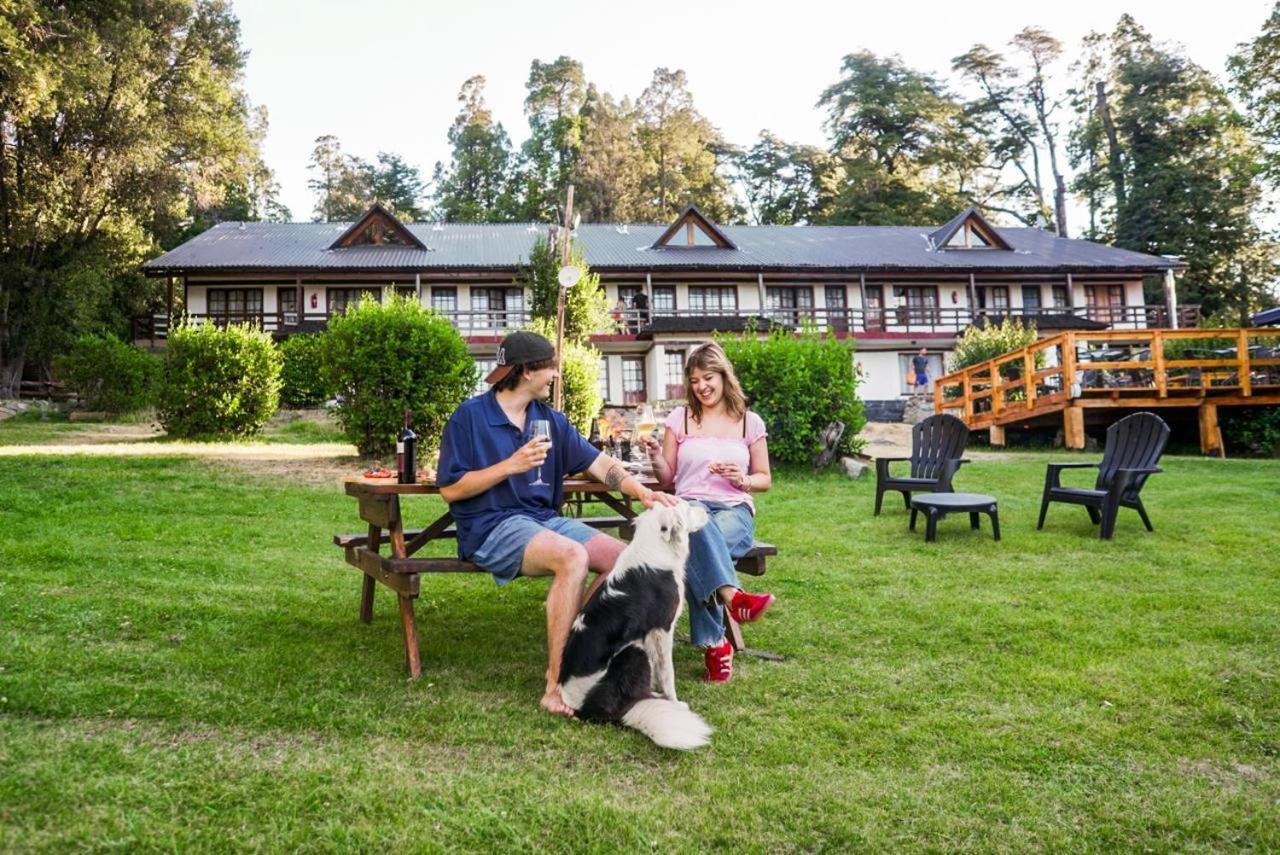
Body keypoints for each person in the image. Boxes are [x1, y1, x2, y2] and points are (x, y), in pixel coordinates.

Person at [436, 331, 679, 717]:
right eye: (550, 367)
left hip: (542, 520)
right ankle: (555, 685)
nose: (555, 375)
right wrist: (511, 466)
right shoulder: (471, 417)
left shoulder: (550, 420)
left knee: (626, 560)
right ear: (527, 370)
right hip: (491, 525)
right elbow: (451, 489)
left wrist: (641, 493)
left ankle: (585, 650)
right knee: (572, 557)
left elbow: (600, 464)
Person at [640, 341, 776, 682]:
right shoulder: (680, 418)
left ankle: (716, 644)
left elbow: (765, 479)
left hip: (735, 512)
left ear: (723, 376)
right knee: (694, 524)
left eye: (708, 377)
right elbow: (667, 477)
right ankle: (733, 598)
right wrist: (656, 454)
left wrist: (742, 479)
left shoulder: (749, 422)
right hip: (691, 507)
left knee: (695, 546)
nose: (702, 386)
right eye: (695, 380)